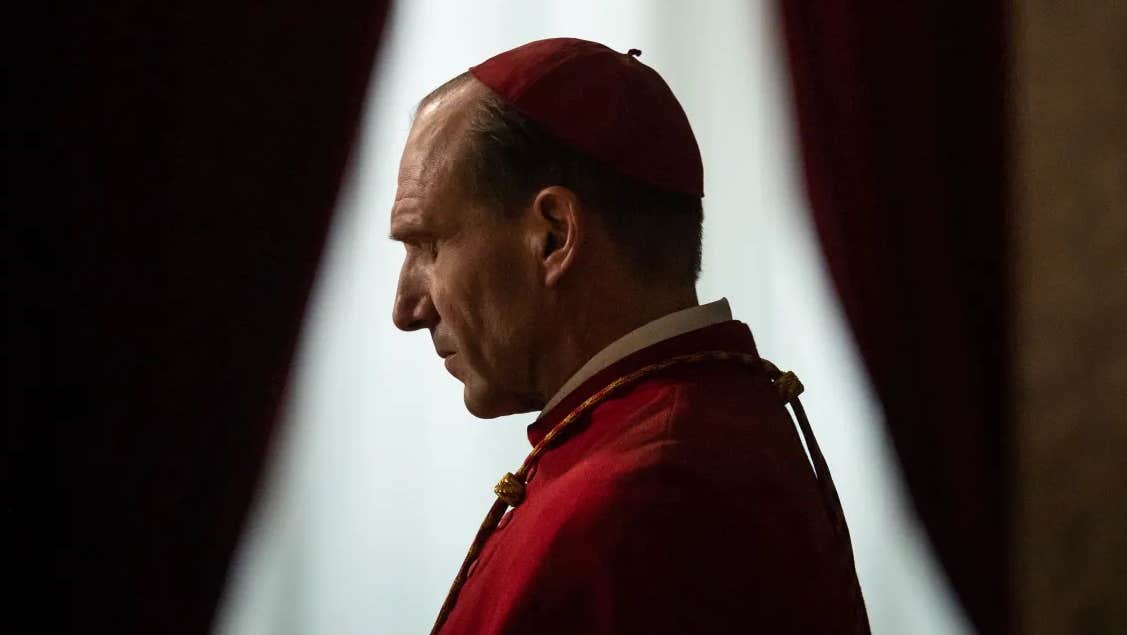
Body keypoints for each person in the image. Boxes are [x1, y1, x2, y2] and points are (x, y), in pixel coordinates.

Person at [390, 37, 870, 634]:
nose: (406, 309)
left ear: (553, 237)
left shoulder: (637, 504)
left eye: (428, 246)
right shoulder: (705, 421)